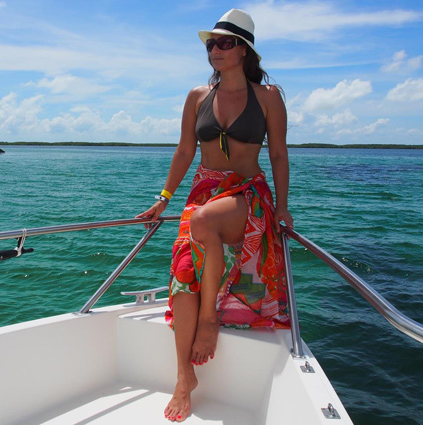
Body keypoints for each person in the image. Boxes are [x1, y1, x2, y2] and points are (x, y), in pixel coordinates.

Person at [136, 8, 294, 422]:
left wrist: (282, 206)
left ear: (244, 50)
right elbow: (185, 151)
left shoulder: (268, 98)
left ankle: (209, 323)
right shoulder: (196, 97)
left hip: (246, 194)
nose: (215, 50)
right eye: (211, 43)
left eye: (225, 43)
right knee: (183, 266)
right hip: (203, 192)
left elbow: (278, 153)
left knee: (203, 223)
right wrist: (164, 198)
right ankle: (184, 376)